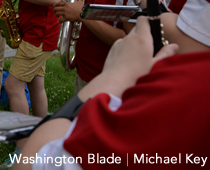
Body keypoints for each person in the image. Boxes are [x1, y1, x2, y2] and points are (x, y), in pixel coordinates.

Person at [12, 16, 210, 170]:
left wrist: (113, 77)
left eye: (182, 15)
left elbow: (32, 162)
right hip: (88, 71)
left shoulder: (189, 102)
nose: (166, 16)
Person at [0, 0, 62, 166]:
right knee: (36, 83)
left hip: (40, 33)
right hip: (32, 29)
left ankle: (23, 149)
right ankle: (42, 137)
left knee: (13, 87)